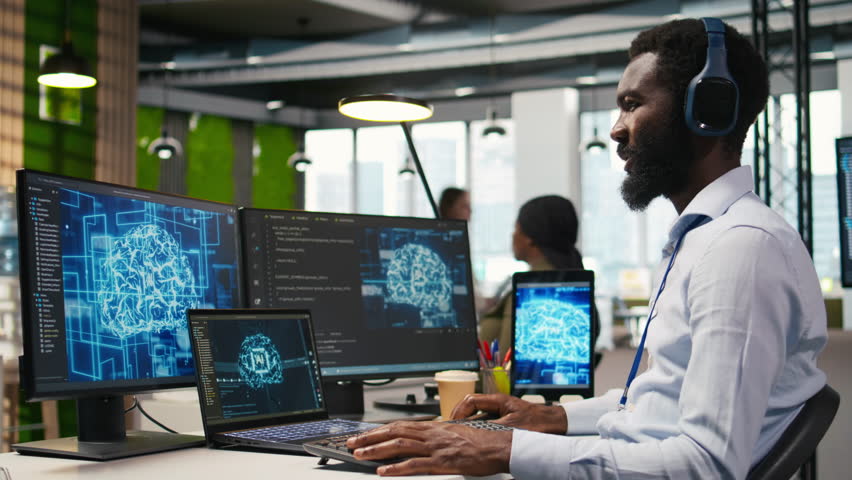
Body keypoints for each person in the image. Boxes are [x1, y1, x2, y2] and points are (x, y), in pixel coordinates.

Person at [345, 18, 827, 479]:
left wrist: (505, 449)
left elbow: (706, 465)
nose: (617, 128)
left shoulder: (740, 248)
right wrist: (547, 420)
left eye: (633, 104)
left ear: (706, 110)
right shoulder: (703, 237)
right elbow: (652, 407)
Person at [479, 195, 598, 360]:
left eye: (516, 229)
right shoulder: (571, 286)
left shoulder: (527, 293)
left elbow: (506, 369)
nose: (512, 236)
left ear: (529, 238)